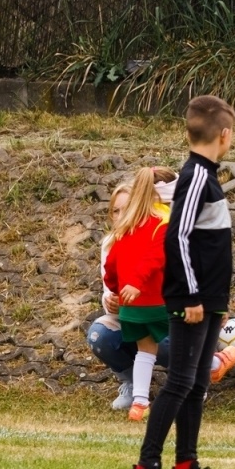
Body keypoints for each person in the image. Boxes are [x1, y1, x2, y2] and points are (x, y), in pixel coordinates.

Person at [123, 95, 235, 469]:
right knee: (179, 382)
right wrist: (191, 296)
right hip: (191, 300)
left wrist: (216, 302)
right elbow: (179, 237)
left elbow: (210, 246)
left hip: (208, 300)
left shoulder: (207, 175)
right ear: (224, 135)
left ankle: (185, 466)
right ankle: (144, 466)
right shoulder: (195, 177)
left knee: (195, 384)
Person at [88, 174, 174, 409]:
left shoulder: (161, 235)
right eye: (115, 211)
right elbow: (110, 284)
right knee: (99, 335)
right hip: (131, 314)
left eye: (127, 209)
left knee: (163, 338)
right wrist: (111, 300)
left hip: (166, 314)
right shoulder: (111, 244)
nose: (121, 216)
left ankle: (196, 375)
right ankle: (134, 387)